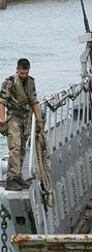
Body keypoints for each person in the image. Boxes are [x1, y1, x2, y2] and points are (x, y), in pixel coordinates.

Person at [0, 59, 43, 191]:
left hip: (26, 119)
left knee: (23, 148)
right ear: (17, 70)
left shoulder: (31, 82)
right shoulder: (9, 82)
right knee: (15, 148)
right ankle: (11, 179)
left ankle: (18, 176)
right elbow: (1, 102)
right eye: (22, 73)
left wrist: (39, 120)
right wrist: (1, 120)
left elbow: (34, 101)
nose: (24, 75)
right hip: (14, 118)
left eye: (26, 72)